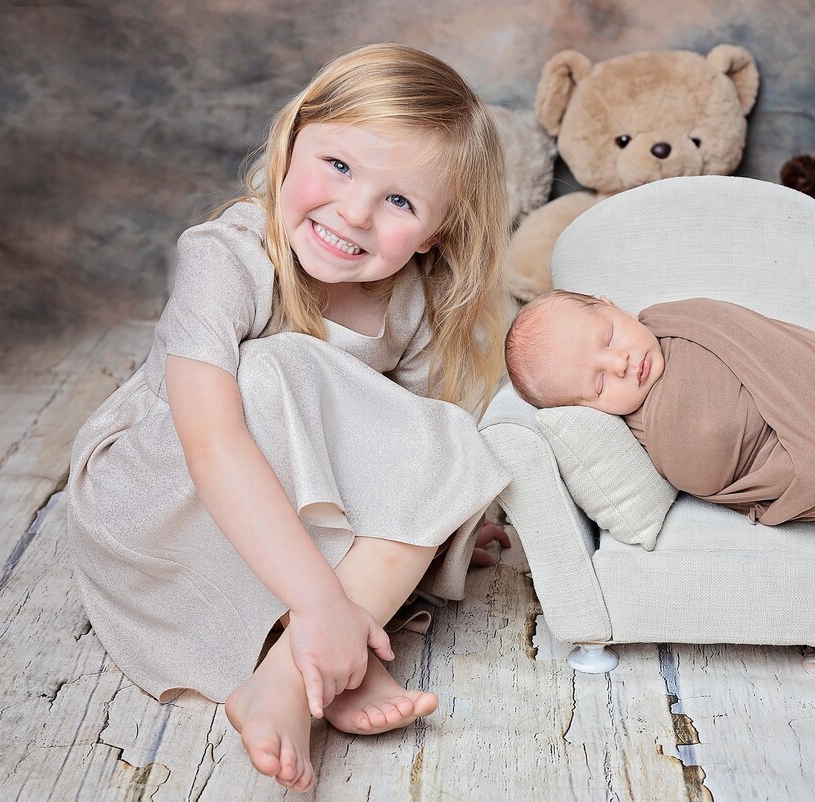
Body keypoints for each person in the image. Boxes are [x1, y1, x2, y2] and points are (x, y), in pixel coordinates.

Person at [67, 44, 514, 792]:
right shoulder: (229, 255)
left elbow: (403, 458)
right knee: (278, 368)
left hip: (278, 534)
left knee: (450, 436)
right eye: (338, 165)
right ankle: (328, 635)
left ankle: (290, 675)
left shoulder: (408, 302)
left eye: (400, 202)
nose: (354, 212)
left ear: (436, 232)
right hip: (158, 508)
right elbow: (210, 441)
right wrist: (320, 599)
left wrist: (453, 519)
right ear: (292, 141)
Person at [505, 291, 815, 525]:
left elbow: (763, 340)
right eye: (600, 383)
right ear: (589, 410)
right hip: (787, 462)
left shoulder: (678, 318)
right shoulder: (650, 427)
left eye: (608, 338)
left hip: (809, 394)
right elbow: (703, 465)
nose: (620, 363)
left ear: (612, 306)